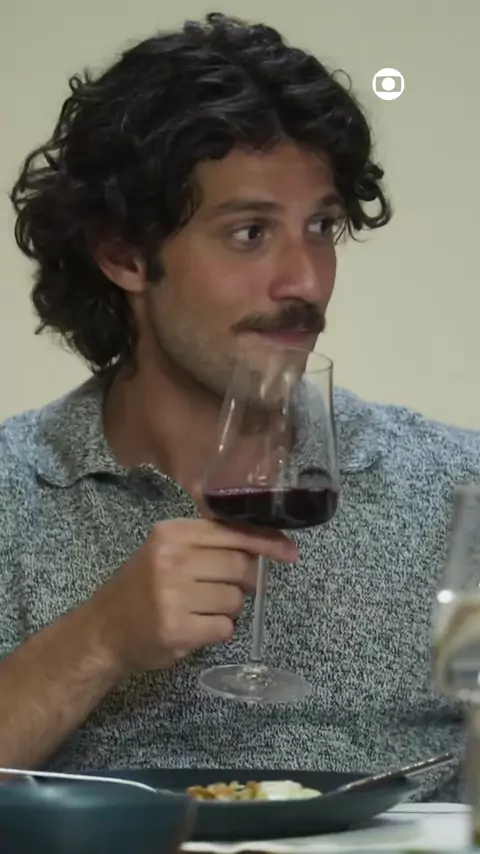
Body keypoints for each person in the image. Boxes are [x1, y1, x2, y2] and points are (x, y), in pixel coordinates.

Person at [0, 12, 477, 800]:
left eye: (321, 227)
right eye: (250, 232)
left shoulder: (460, 492)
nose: (306, 281)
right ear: (122, 254)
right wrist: (99, 640)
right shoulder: (13, 494)